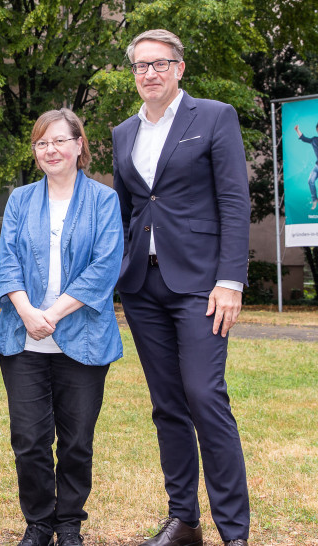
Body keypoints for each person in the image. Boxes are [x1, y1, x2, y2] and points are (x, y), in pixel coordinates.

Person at [111, 29, 251, 546]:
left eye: (160, 64)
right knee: (167, 402)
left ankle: (234, 532)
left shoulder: (214, 117)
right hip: (143, 286)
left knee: (203, 395)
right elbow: (129, 208)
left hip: (201, 285)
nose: (149, 73)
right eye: (140, 66)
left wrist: (230, 280)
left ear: (179, 68)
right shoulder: (123, 132)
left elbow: (235, 202)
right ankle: (183, 520)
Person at [0, 109, 123, 546]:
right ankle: (38, 523)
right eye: (42, 143)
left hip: (82, 337)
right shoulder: (20, 199)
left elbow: (104, 268)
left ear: (79, 145)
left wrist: (53, 314)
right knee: (29, 440)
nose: (51, 149)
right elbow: (8, 260)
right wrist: (28, 312)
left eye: (60, 140)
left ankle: (68, 524)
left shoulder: (104, 200)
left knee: (76, 441)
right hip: (23, 336)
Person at [294, 123, 318, 210]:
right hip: (317, 166)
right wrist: (297, 130)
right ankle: (314, 200)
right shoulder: (314, 140)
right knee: (310, 181)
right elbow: (304, 138)